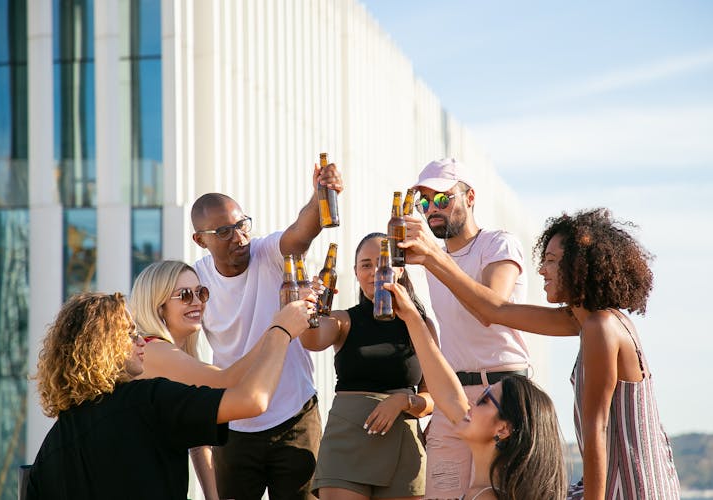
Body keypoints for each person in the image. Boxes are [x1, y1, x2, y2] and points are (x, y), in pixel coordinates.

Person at [400, 208, 681, 499]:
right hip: (617, 481)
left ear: (579, 265)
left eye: (551, 261)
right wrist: (431, 259)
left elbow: (597, 428)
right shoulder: (584, 322)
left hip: (632, 486)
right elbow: (495, 310)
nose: (542, 270)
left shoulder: (602, 326)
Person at [27, 291, 314, 499]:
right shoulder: (148, 400)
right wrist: (282, 331)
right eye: (129, 334)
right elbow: (252, 400)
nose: (142, 341)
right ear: (104, 347)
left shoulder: (50, 450)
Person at [191, 161, 343, 499]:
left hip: (296, 417)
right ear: (200, 240)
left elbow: (302, 231)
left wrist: (320, 194)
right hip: (233, 424)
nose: (240, 237)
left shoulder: (269, 254)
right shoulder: (196, 282)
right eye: (224, 232)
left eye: (241, 224)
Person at [129, 260, 316, 499]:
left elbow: (197, 439)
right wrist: (279, 329)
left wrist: (212, 496)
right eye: (185, 295)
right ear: (158, 305)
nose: (197, 301)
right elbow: (226, 382)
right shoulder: (152, 349)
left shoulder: (176, 355)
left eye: (202, 292)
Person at [405, 158, 531, 498]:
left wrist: (434, 257)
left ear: (470, 197)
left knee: (496, 493)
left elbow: (491, 308)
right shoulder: (433, 257)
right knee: (441, 493)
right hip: (453, 397)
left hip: (504, 393)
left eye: (443, 199)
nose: (432, 209)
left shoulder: (497, 243)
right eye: (425, 201)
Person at [385, 281, 567, 500]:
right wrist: (411, 317)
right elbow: (448, 394)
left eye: (484, 401)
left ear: (503, 429)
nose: (469, 403)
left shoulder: (487, 496)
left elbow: (450, 397)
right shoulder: (484, 491)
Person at [300, 233, 436, 499]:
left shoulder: (420, 325)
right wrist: (309, 307)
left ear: (399, 268)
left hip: (403, 445)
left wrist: (402, 402)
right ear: (355, 272)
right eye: (365, 265)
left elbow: (435, 398)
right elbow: (311, 340)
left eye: (383, 262)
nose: (375, 272)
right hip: (346, 442)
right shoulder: (342, 321)